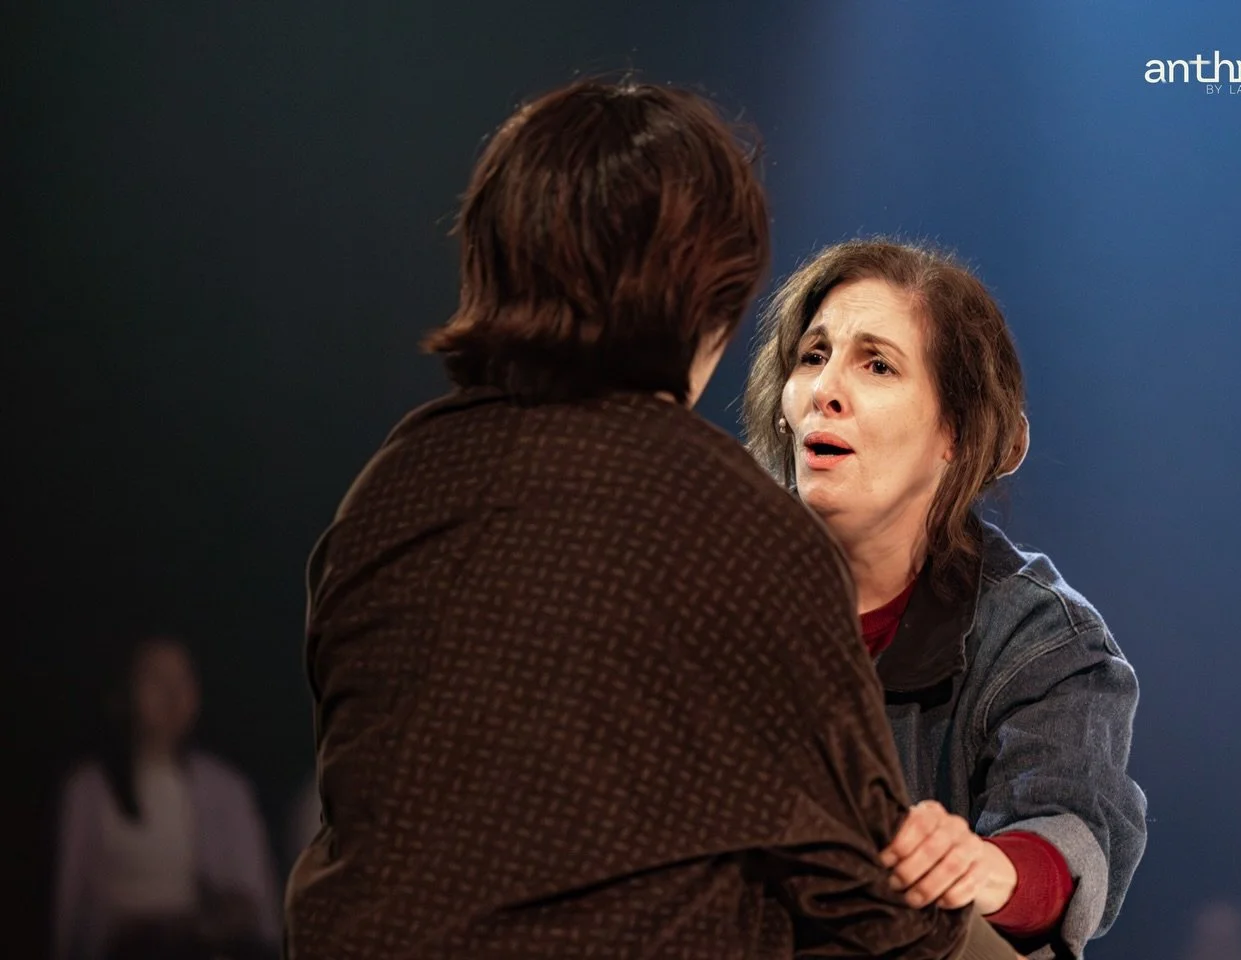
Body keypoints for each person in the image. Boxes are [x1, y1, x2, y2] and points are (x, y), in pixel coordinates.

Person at [284, 80, 1021, 959]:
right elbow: (870, 894)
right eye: (813, 353)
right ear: (713, 296)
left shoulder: (389, 490)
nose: (826, 389)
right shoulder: (743, 533)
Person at [743, 239, 1147, 958]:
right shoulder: (713, 594)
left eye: (877, 365)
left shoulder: (1041, 638)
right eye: (813, 356)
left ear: (954, 434)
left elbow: (1070, 832)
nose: (825, 389)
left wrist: (983, 868)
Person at [53, 635, 280, 960]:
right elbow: (68, 907)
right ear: (126, 691)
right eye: (155, 679)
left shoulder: (226, 789)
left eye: (184, 680)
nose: (172, 695)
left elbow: (254, 898)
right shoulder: (89, 790)